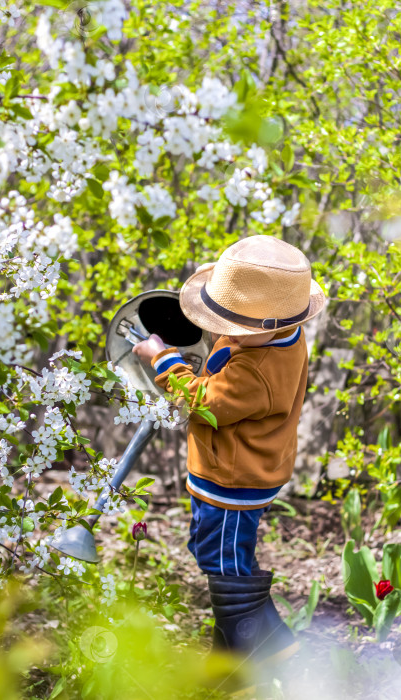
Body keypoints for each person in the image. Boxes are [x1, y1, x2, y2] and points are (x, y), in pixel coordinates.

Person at [132, 234, 326, 667]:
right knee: (218, 554)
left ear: (265, 327)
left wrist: (162, 359)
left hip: (233, 480)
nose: (221, 331)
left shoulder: (257, 370)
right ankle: (250, 645)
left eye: (231, 325)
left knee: (225, 566)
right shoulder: (274, 339)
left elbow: (202, 403)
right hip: (233, 470)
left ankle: (254, 654)